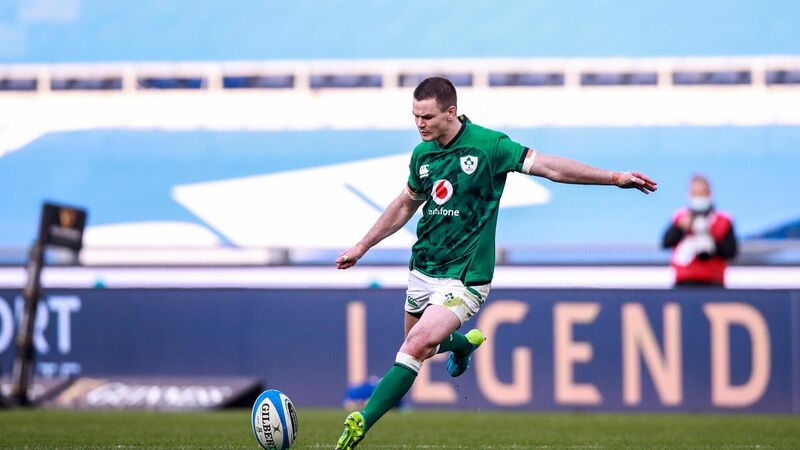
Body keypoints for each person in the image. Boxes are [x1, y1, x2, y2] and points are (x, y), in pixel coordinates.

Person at [334, 77, 657, 449]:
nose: (419, 124)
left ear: (451, 112)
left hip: (467, 275)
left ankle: (362, 422)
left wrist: (614, 178)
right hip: (423, 268)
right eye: (415, 116)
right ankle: (461, 346)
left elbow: (551, 167)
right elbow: (406, 204)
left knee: (416, 344)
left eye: (427, 117)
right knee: (420, 343)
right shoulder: (422, 154)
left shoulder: (490, 146)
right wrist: (363, 246)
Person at [662, 174, 737, 287]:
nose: (698, 197)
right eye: (694, 193)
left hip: (714, 283)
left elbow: (731, 251)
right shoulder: (680, 217)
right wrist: (680, 228)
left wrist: (710, 239)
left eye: (702, 193)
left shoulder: (723, 220)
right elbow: (666, 242)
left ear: (709, 193)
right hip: (684, 283)